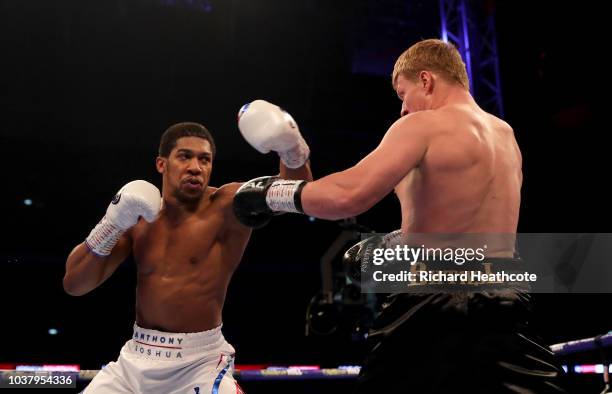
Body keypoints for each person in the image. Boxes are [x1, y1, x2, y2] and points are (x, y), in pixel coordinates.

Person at [233, 39, 568, 392]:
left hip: (434, 298)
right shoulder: (506, 135)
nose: (403, 109)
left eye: (402, 94)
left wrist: (272, 194)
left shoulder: (423, 126)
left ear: (426, 80)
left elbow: (348, 195)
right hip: (505, 296)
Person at [63, 109, 312, 393]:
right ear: (161, 164)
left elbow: (302, 195)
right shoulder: (138, 217)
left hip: (200, 363)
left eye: (204, 159)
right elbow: (74, 284)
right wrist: (111, 224)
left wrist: (292, 149)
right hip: (135, 358)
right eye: (185, 156)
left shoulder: (229, 204)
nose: (196, 166)